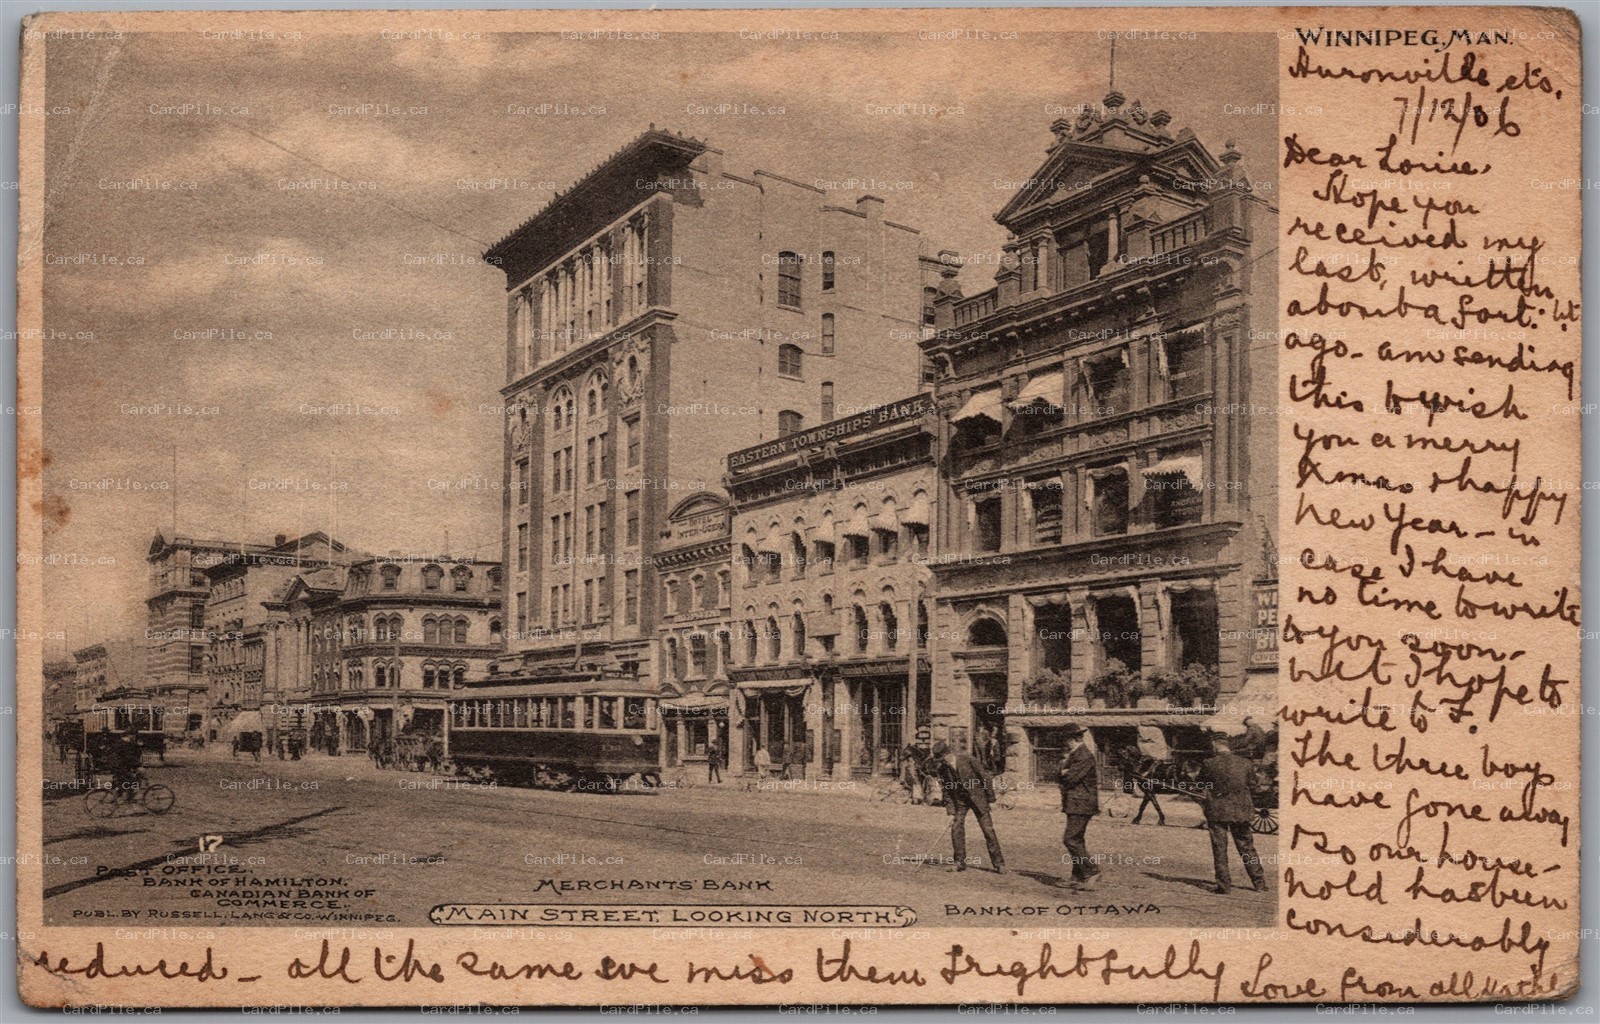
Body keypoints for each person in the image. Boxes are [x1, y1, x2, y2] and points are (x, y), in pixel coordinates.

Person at [1196, 730, 1267, 894]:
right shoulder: (1245, 763)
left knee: (1220, 848)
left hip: (1217, 811)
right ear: (1227, 745)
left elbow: (1200, 785)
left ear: (1215, 744)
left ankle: (1224, 886)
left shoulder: (1209, 763)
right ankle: (1259, 883)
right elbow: (1254, 786)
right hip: (1241, 811)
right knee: (1247, 847)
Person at [931, 740, 1005, 874]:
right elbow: (947, 791)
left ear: (949, 753)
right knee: (956, 828)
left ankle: (999, 864)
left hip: (978, 798)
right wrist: (951, 812)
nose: (943, 762)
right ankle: (959, 863)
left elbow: (985, 778)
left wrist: (991, 800)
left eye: (944, 758)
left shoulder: (968, 759)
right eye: (941, 760)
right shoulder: (942, 769)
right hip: (960, 801)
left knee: (988, 830)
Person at [1058, 724, 1101, 890]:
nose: (1064, 743)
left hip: (1081, 803)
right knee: (1077, 840)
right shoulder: (1075, 754)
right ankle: (1077, 876)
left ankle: (1092, 871)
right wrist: (1063, 771)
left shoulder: (1083, 755)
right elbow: (1063, 776)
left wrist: (1063, 771)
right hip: (1076, 803)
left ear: (1072, 739)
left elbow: (1070, 778)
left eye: (1066, 740)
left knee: (1070, 839)